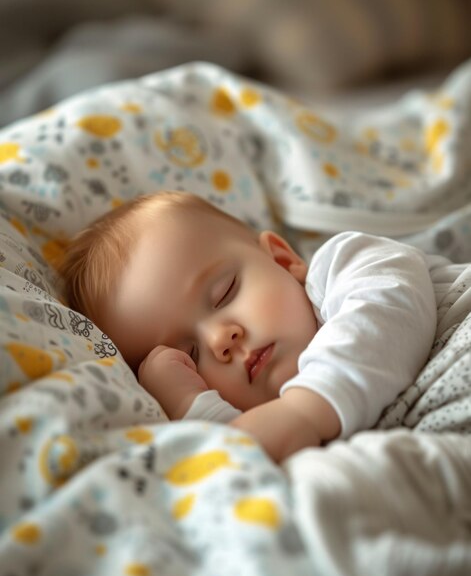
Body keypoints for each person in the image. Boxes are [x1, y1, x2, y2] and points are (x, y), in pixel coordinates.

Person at [59, 190, 440, 462]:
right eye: (190, 355)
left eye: (225, 293)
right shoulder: (297, 435)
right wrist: (192, 407)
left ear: (282, 258)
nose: (219, 339)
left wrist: (305, 410)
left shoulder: (342, 272)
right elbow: (248, 454)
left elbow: (391, 303)